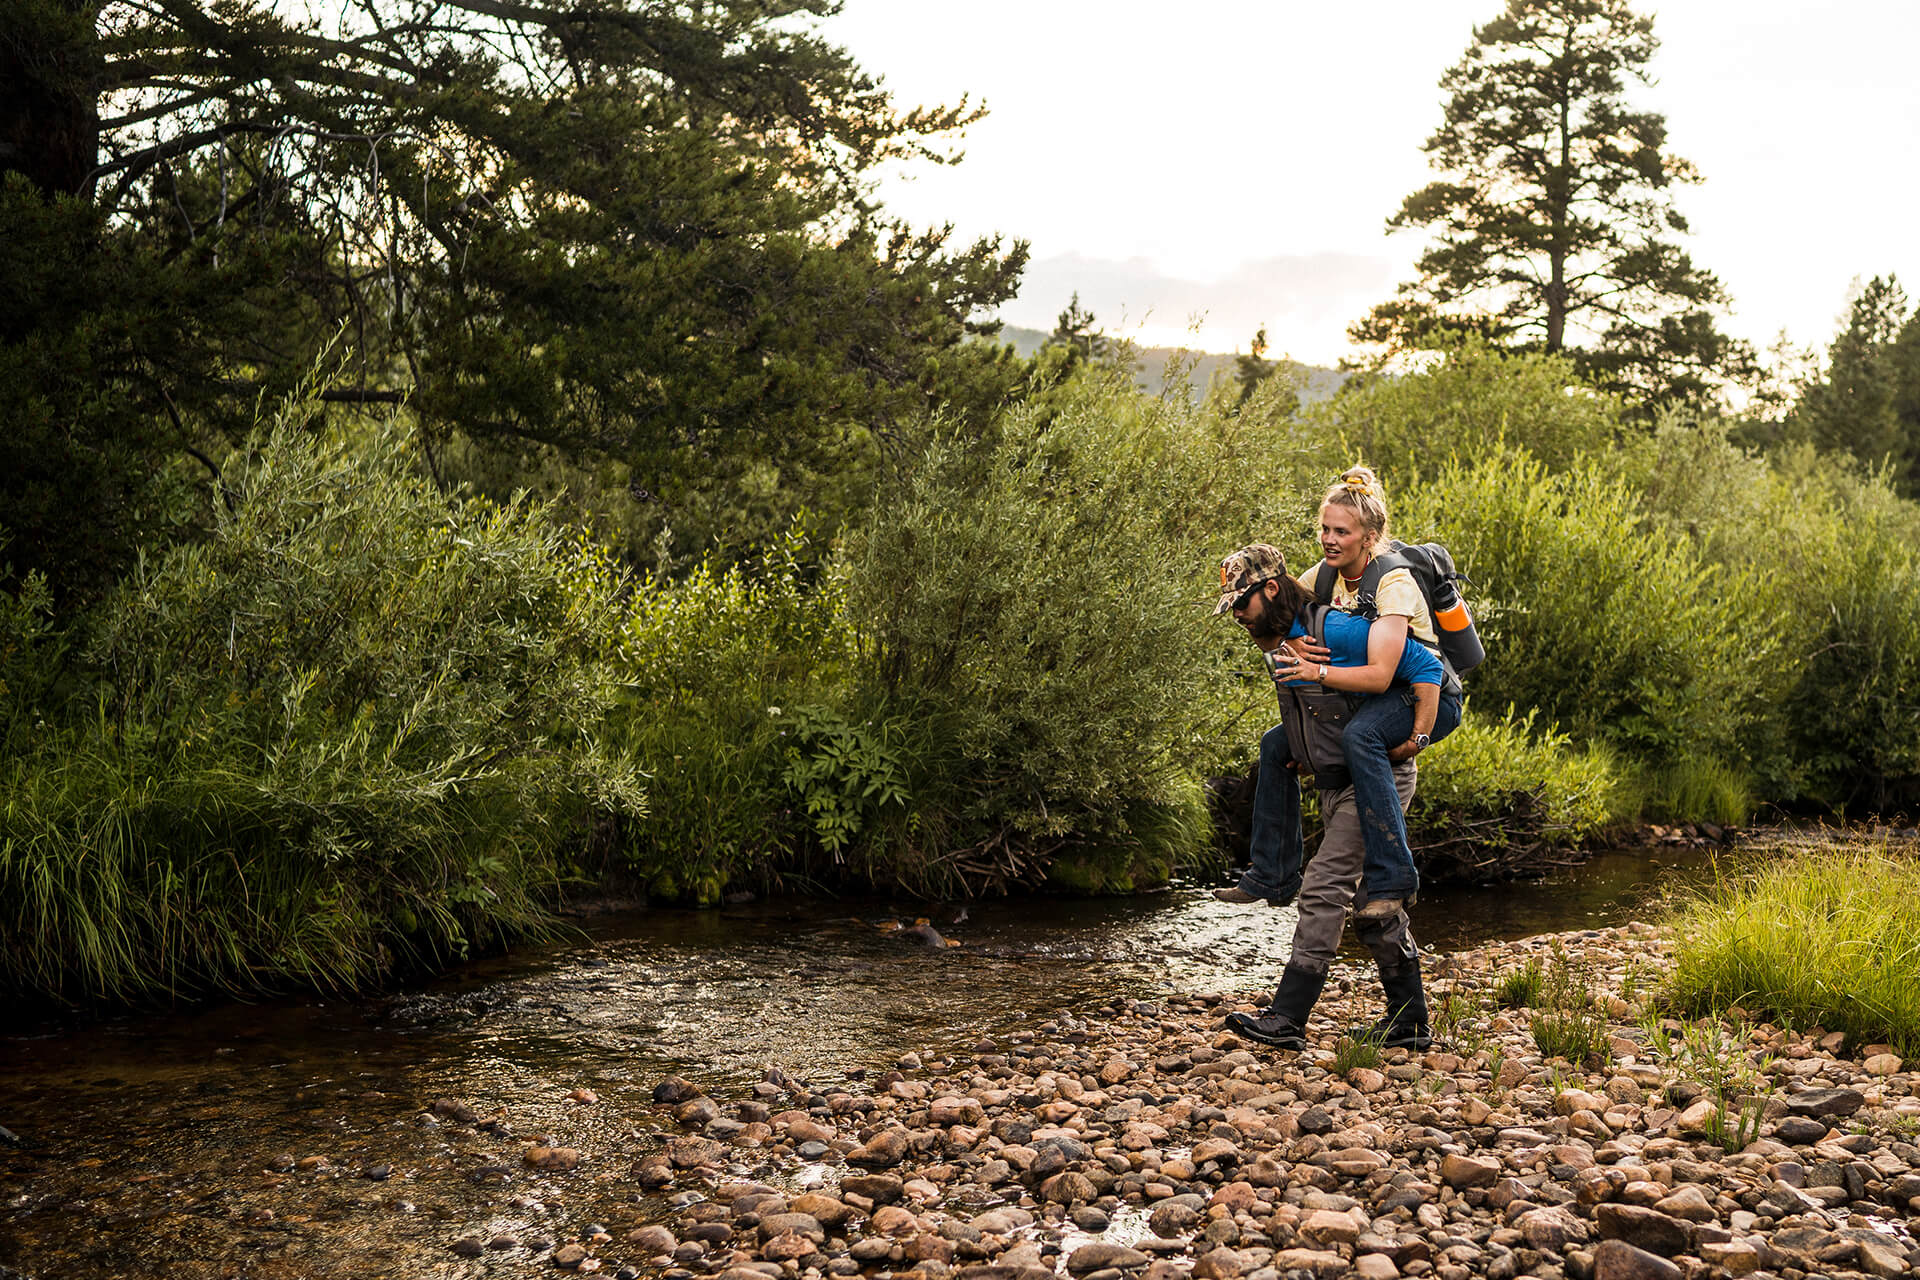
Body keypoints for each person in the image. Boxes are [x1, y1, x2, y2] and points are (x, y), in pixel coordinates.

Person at [1209, 541, 1437, 1050]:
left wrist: (1418, 735)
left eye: (1242, 604)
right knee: (1366, 903)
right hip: (1333, 783)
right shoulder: (1278, 641)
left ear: (1271, 589)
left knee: (1325, 887)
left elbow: (1426, 666)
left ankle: (1287, 1016)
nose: (1238, 617)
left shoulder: (1334, 630)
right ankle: (1410, 1021)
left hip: (1375, 781)